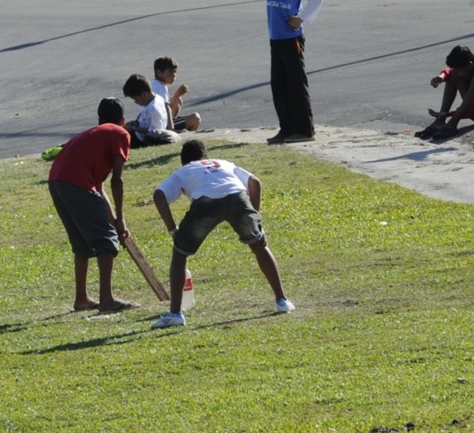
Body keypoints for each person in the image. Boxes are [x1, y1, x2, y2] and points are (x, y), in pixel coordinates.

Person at [150, 139, 294, 328]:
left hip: (205, 203)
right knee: (259, 245)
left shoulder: (184, 170)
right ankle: (282, 301)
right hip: (237, 198)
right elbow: (254, 182)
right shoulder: (224, 163)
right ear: (207, 157)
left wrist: (173, 230)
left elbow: (159, 195)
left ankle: (175, 313)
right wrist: (256, 221)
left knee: (180, 254)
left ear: (183, 161)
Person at [48, 97, 138, 313]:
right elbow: (117, 180)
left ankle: (81, 299)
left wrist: (115, 220)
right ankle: (106, 300)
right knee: (106, 240)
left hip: (57, 181)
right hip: (75, 183)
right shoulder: (120, 133)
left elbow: (99, 187)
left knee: (83, 244)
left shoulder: (92, 135)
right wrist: (120, 221)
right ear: (123, 120)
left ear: (99, 120)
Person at [261, 0, 324, 144]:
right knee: (279, 85)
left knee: (295, 85)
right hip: (276, 39)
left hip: (291, 39)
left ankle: (304, 129)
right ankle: (286, 129)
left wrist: (301, 18)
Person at [415, 45, 474, 140]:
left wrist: (450, 114)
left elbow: (471, 108)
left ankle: (452, 124)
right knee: (452, 75)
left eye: (461, 70)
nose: (459, 74)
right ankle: (439, 121)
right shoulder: (471, 63)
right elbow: (451, 71)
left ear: (470, 64)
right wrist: (442, 77)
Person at [123, 73, 176, 149]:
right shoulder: (148, 101)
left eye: (136, 99)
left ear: (144, 94)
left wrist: (133, 128)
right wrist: (136, 122)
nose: (136, 102)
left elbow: (154, 132)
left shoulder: (154, 109)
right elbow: (144, 118)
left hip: (141, 140)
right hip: (137, 132)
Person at [151, 56, 201, 132]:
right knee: (195, 118)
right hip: (161, 126)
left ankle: (180, 130)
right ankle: (187, 139)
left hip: (161, 121)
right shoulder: (160, 87)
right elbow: (166, 111)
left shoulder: (155, 84)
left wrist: (178, 96)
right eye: (170, 72)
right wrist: (178, 94)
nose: (174, 75)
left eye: (175, 71)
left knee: (178, 100)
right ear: (159, 73)